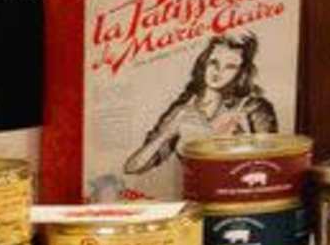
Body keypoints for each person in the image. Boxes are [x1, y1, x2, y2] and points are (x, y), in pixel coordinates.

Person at [120, 33, 282, 193]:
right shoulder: (182, 109)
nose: (218, 72)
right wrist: (166, 134)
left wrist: (240, 143)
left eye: (230, 67)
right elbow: (132, 167)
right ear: (204, 63)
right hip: (195, 199)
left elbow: (271, 168)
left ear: (241, 73)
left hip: (240, 200)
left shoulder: (253, 108)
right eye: (214, 63)